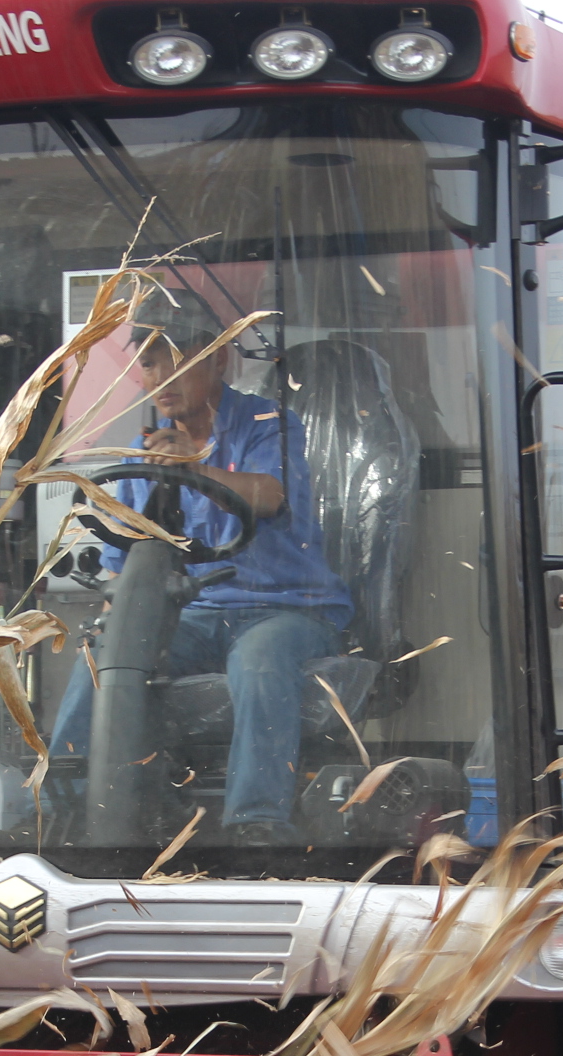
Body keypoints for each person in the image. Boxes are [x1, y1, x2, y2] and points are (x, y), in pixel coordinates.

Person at [47, 290, 349, 848]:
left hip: (283, 609)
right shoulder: (143, 456)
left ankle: (256, 822)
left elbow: (269, 495)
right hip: (191, 614)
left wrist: (193, 463)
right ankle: (54, 812)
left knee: (260, 660)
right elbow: (126, 568)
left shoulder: (268, 424)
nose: (158, 374)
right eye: (148, 361)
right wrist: (117, 627)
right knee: (103, 654)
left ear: (216, 359)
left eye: (172, 357)